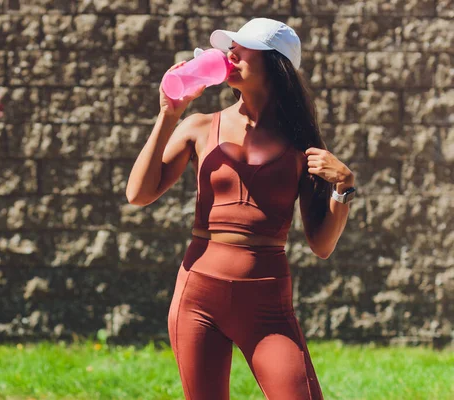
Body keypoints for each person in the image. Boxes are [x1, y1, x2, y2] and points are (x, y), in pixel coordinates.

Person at [126, 17, 356, 400]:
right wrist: (169, 114)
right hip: (196, 299)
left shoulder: (303, 146)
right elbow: (138, 193)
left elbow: (321, 245)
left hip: (268, 308)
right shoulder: (199, 126)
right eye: (230, 45)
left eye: (243, 47)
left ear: (275, 64)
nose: (231, 52)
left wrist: (343, 188)